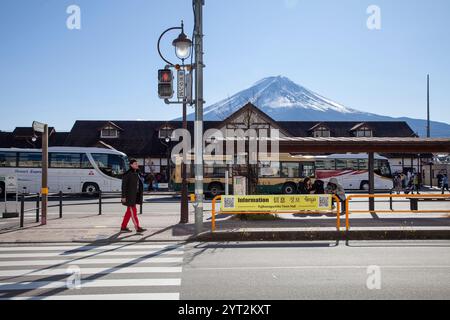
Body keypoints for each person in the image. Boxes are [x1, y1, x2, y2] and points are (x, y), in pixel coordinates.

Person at [120, 159, 147, 233]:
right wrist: (123, 197)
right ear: (131, 165)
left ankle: (123, 227)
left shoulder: (136, 173)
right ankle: (137, 228)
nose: (137, 165)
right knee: (134, 213)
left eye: (137, 164)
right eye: (135, 164)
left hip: (134, 196)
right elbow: (124, 186)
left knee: (129, 213)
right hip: (129, 197)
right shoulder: (127, 174)